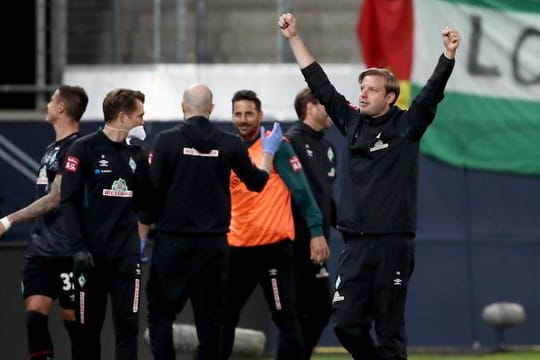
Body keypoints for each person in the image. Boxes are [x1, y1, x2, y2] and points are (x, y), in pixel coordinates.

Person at [278, 13, 461, 359]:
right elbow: (319, 83)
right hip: (355, 246)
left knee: (389, 331)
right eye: (361, 88)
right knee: (346, 323)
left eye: (371, 89)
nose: (362, 94)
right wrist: (294, 37)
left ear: (389, 98)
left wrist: (447, 56)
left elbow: (432, 93)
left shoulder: (407, 126)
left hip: (393, 244)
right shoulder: (351, 121)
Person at [145, 83, 282, 360]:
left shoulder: (166, 141)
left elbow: (150, 194)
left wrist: (142, 233)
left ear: (183, 108)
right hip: (214, 247)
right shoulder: (229, 143)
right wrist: (268, 154)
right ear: (211, 109)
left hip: (173, 243)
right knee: (211, 321)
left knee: (161, 316)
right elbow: (257, 183)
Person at [221, 89, 329, 360]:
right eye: (238, 114)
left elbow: (302, 191)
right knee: (223, 317)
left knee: (285, 317)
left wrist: (316, 231)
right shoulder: (231, 150)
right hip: (237, 249)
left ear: (259, 115)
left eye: (248, 113)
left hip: (273, 249)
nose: (243, 119)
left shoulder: (276, 145)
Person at [60, 88, 151, 360]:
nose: (143, 122)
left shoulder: (135, 153)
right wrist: (77, 248)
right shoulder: (83, 148)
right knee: (88, 332)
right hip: (91, 258)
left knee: (128, 329)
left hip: (126, 256)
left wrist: (142, 159)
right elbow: (68, 202)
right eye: (140, 116)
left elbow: (148, 201)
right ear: (123, 117)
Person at [0, 85, 88, 360]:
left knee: (76, 328)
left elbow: (56, 197)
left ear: (61, 108)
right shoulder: (52, 148)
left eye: (51, 100)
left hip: (67, 251)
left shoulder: (76, 148)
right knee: (34, 320)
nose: (47, 104)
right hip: (41, 251)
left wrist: (8, 220)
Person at [284, 87, 337, 359]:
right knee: (296, 311)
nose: (331, 110)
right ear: (310, 107)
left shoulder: (328, 147)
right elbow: (299, 194)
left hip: (319, 244)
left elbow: (326, 196)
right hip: (295, 242)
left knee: (319, 309)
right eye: (326, 104)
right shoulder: (290, 142)